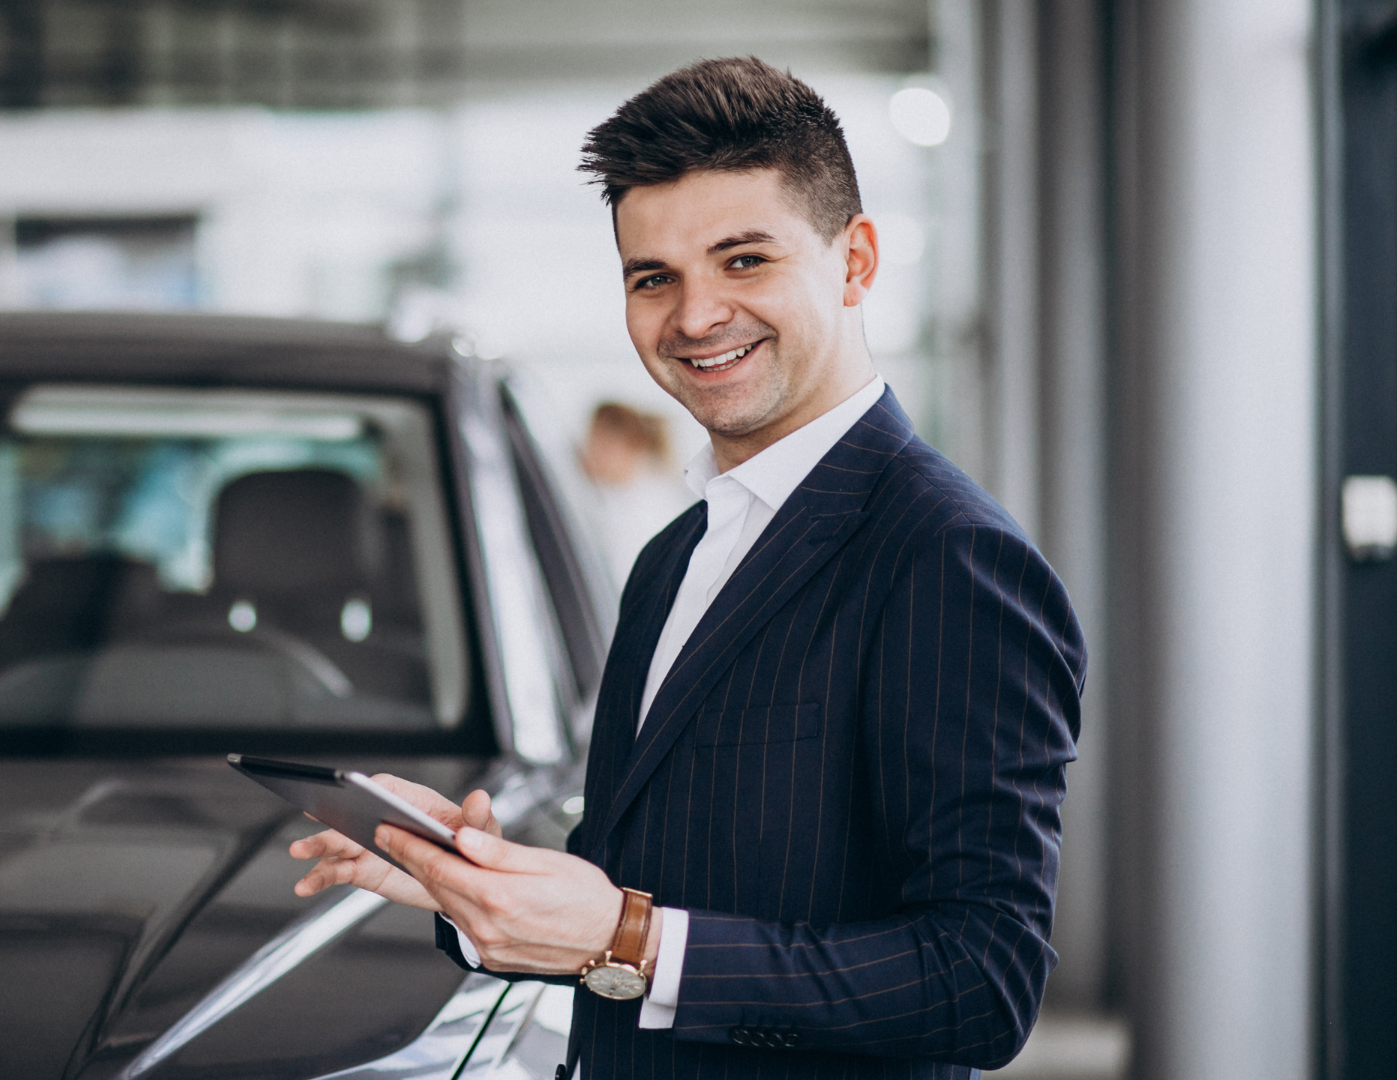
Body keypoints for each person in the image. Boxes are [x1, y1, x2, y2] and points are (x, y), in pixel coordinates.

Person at [291, 56, 1084, 1080]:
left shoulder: (949, 558)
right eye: (652, 277)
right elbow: (650, 908)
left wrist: (631, 938)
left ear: (856, 262)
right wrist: (482, 886)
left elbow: (982, 982)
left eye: (744, 260)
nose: (696, 316)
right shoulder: (673, 557)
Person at [581, 402, 697, 584]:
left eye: (603, 444)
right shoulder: (604, 493)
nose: (590, 452)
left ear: (631, 446)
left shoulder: (652, 507)